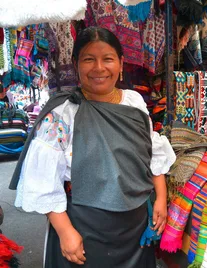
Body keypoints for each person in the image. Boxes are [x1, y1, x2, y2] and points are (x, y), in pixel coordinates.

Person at [9, 26, 176, 267]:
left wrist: (160, 197)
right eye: (89, 59)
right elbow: (43, 181)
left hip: (135, 229)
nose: (99, 68)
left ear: (120, 63)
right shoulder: (61, 114)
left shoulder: (134, 102)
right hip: (84, 230)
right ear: (76, 64)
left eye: (107, 59)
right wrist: (66, 233)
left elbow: (151, 151)